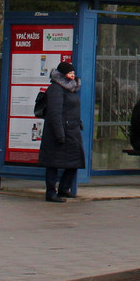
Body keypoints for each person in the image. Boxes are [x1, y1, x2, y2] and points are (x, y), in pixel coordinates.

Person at [37, 61, 84, 203]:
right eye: (70, 73)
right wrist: (59, 134)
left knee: (75, 161)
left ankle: (64, 188)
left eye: (73, 73)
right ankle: (51, 192)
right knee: (53, 162)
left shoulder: (70, 88)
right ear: (63, 74)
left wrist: (78, 122)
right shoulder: (56, 89)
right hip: (58, 132)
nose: (73, 75)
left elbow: (71, 108)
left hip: (72, 130)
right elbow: (55, 113)